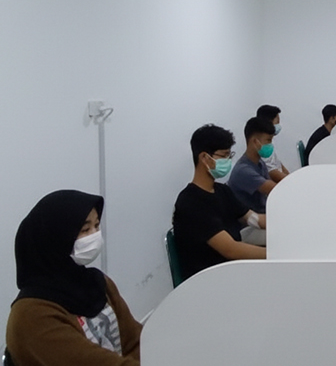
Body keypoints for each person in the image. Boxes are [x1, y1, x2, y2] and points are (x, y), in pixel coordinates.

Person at [6, 190, 142, 366]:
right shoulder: (30, 317)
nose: (94, 235)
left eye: (97, 226)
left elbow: (135, 342)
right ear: (56, 239)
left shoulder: (97, 283)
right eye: (85, 229)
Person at [172, 124, 266, 281]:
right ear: (204, 158)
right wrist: (274, 254)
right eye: (224, 156)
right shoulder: (190, 203)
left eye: (229, 155)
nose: (228, 161)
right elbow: (231, 249)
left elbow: (253, 219)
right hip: (210, 280)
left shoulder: (222, 190)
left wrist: (286, 224)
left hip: (232, 270)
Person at [226, 117, 279, 245]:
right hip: (247, 228)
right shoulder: (243, 170)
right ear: (255, 141)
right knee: (286, 235)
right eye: (268, 141)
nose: (270, 145)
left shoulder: (259, 163)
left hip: (262, 219)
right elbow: (274, 189)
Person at [256, 104, 290, 178]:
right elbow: (272, 171)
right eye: (277, 123)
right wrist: (290, 181)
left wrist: (290, 176)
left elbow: (278, 164)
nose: (279, 126)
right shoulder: (262, 146)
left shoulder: (269, 142)